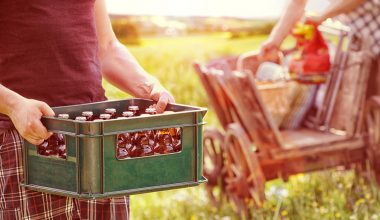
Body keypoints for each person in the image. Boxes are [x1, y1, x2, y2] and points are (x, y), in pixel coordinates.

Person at [0, 0, 174, 219]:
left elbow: (107, 47)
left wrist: (149, 86)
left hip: (97, 139)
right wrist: (14, 106)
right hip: (28, 138)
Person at [260, 0, 380, 96]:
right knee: (358, 95)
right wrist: (275, 40)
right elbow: (297, 3)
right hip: (357, 40)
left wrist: (323, 16)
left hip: (374, 33)